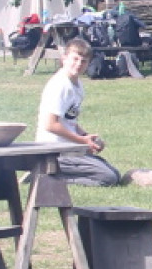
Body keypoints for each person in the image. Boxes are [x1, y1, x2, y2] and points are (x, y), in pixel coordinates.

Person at [34, 39, 128, 185]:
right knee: (108, 178)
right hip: (53, 150)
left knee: (114, 173)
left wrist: (86, 137)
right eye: (75, 59)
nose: (78, 64)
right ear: (64, 59)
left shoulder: (76, 85)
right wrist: (81, 141)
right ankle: (44, 176)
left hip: (68, 147)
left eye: (83, 61)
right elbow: (50, 124)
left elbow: (69, 120)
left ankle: (48, 173)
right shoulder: (60, 85)